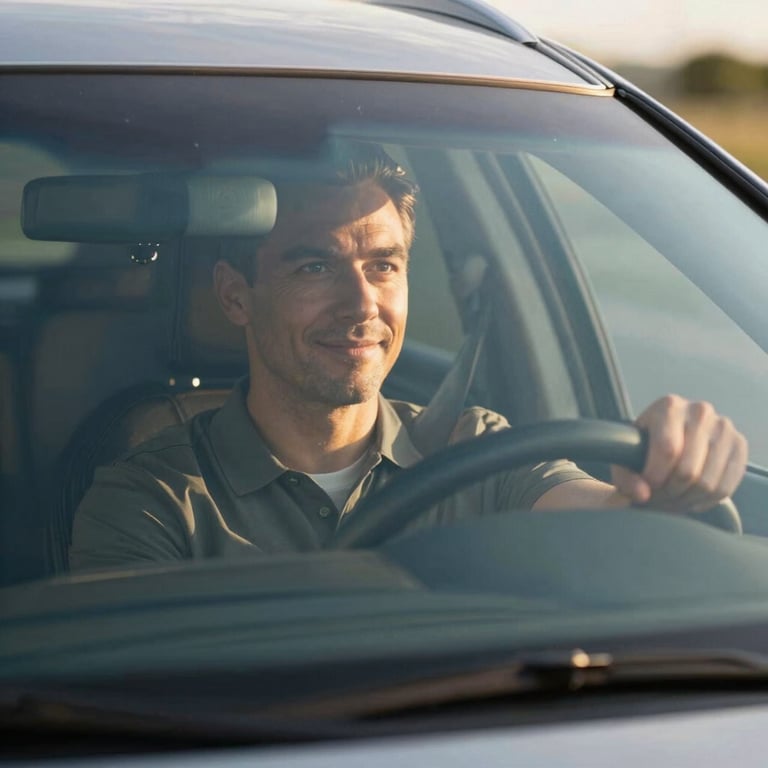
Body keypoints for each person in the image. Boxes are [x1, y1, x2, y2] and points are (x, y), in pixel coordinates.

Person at [69, 144, 749, 570]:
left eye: (383, 266)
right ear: (236, 296)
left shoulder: (475, 451)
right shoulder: (150, 501)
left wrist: (669, 485)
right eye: (315, 267)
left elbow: (608, 524)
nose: (363, 304)